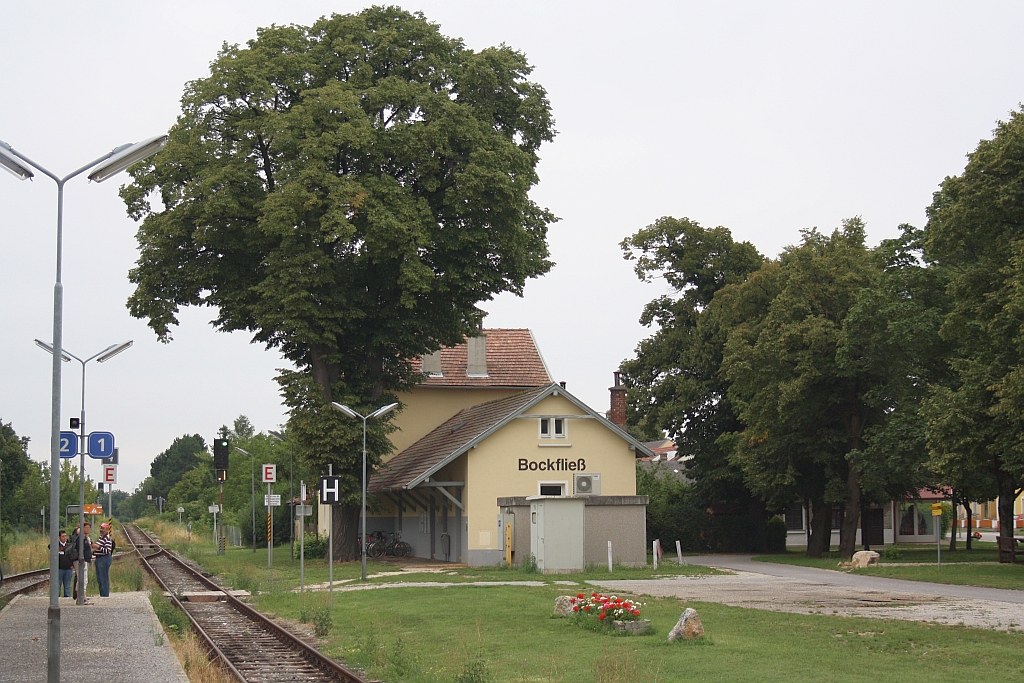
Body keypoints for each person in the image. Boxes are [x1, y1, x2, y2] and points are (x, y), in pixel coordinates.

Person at [69, 521, 93, 601]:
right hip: (81, 561)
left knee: (82, 578)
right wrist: (83, 559)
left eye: (89, 528)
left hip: (82, 560)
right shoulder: (81, 538)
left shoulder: (84, 537)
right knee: (82, 578)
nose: (88, 529)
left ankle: (81, 596)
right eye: (87, 528)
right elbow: (81, 550)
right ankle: (81, 597)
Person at [93, 522, 115, 597]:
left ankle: (105, 594)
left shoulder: (107, 538)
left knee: (103, 577)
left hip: (104, 559)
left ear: (106, 529)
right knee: (99, 578)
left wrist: (97, 547)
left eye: (102, 528)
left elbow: (107, 550)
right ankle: (102, 594)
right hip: (99, 558)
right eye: (100, 528)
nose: (101, 530)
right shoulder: (101, 538)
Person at [50, 530, 75, 597]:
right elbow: (50, 546)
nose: (64, 538)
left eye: (65, 536)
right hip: (59, 569)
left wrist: (72, 565)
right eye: (63, 536)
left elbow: (73, 555)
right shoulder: (56, 545)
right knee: (57, 585)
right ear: (59, 537)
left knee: (67, 586)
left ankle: (67, 598)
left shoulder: (69, 545)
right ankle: (56, 598)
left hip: (68, 568)